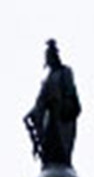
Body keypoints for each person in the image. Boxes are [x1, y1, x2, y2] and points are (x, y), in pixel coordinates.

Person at [24, 39, 80, 169]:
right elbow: (40, 101)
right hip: (49, 117)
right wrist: (31, 114)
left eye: (50, 57)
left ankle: (61, 165)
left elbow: (70, 92)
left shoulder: (64, 72)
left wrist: (64, 105)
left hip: (61, 116)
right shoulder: (47, 80)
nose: (49, 60)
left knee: (60, 145)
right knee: (49, 146)